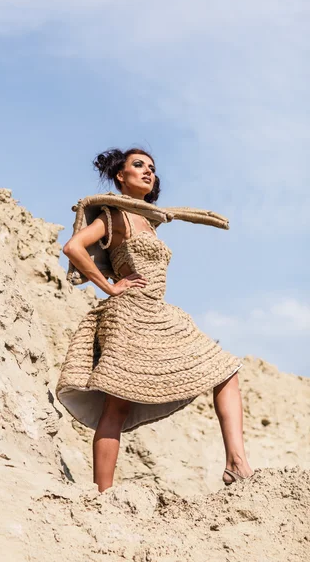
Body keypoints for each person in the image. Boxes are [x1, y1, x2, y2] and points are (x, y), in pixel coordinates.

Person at [56, 147, 254, 493]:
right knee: (117, 404)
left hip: (158, 310)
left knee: (226, 370)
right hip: (129, 313)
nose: (148, 172)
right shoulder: (113, 215)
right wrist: (111, 287)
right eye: (138, 166)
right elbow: (73, 247)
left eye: (151, 168)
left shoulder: (148, 219)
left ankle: (236, 463)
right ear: (121, 176)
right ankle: (103, 495)